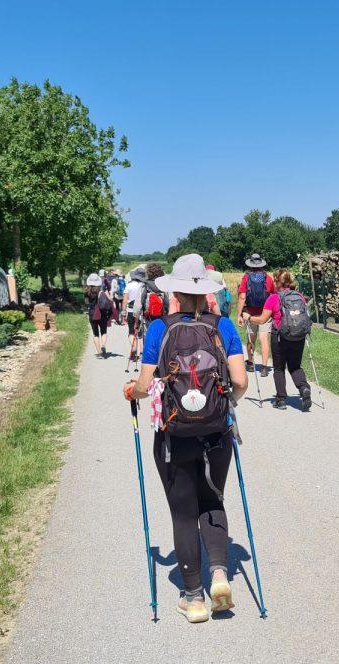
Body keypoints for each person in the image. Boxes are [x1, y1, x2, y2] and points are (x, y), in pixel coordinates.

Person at [124, 254, 249, 624]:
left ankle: (193, 597)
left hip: (174, 434)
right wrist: (224, 405)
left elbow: (146, 386)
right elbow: (240, 381)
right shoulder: (224, 326)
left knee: (183, 512)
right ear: (206, 291)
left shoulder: (160, 329)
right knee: (212, 500)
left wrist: (132, 390)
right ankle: (221, 575)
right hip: (217, 433)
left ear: (175, 290)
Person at [249, 269, 312, 411]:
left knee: (279, 368)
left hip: (280, 337)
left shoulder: (273, 298)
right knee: (295, 366)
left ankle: (281, 399)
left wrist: (248, 317)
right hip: (298, 336)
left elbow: (262, 319)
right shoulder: (300, 296)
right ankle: (303, 388)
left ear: (277, 282)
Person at [237, 253, 274, 375]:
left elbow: (242, 297)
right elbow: (272, 295)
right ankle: (264, 367)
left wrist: (239, 315)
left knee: (250, 339)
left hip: (250, 314)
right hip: (265, 314)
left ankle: (251, 363)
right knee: (264, 340)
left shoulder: (246, 277)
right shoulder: (268, 278)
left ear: (251, 265)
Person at [83, 273, 115, 357]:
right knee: (103, 332)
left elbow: (86, 303)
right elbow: (109, 301)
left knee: (95, 334)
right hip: (102, 314)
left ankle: (99, 353)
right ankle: (103, 346)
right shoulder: (101, 291)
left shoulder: (86, 292)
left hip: (92, 314)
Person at [124, 267, 147, 361]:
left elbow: (125, 300)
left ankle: (133, 347)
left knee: (131, 331)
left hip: (130, 311)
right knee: (141, 333)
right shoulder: (144, 286)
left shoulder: (129, 286)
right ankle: (142, 353)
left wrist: (123, 311)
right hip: (141, 312)